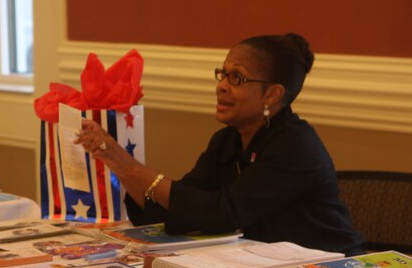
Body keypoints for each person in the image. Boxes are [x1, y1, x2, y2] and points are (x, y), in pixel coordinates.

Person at [74, 33, 364, 255]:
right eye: (222, 74)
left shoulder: (295, 146)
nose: (222, 85)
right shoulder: (227, 140)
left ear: (272, 95)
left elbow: (222, 214)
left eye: (236, 77)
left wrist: (126, 163)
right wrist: (117, 164)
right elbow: (179, 209)